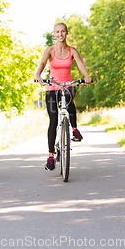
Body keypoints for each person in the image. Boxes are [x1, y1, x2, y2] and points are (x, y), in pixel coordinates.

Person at [34, 22, 92, 171]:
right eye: (57, 32)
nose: (60, 34)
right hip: (52, 87)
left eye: (63, 31)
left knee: (70, 102)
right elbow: (41, 63)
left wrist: (87, 77)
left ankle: (74, 129)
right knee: (53, 120)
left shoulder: (72, 51)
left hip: (68, 85)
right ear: (54, 34)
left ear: (67, 33)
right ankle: (51, 155)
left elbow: (80, 64)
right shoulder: (50, 50)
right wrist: (37, 75)